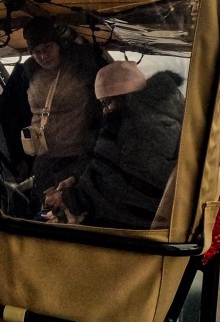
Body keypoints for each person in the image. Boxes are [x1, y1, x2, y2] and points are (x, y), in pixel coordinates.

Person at [44, 61, 184, 228]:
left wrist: (72, 198)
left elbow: (129, 188)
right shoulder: (133, 120)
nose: (105, 110)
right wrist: (76, 177)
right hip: (120, 216)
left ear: (125, 96)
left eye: (106, 103)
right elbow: (106, 164)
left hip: (133, 225)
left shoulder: (148, 128)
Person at [0, 16, 106, 201]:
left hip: (77, 159)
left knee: (69, 213)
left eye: (47, 47)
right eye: (36, 51)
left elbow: (108, 101)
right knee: (41, 212)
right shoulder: (28, 72)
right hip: (42, 160)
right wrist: (20, 158)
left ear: (59, 44)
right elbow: (11, 112)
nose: (43, 56)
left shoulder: (83, 65)